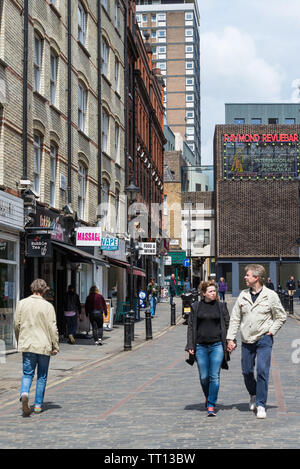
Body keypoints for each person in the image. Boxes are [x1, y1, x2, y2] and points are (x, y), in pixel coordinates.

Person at [227, 264, 287, 419]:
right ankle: (253, 394)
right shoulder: (243, 295)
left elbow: (281, 316)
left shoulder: (271, 295)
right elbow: (235, 318)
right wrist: (230, 338)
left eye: (247, 275)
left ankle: (261, 404)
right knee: (246, 371)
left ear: (257, 277)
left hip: (264, 339)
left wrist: (271, 331)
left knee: (262, 370)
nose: (245, 277)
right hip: (247, 339)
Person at [14, 279, 59, 416]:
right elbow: (52, 328)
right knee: (42, 376)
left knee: (27, 373)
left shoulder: (22, 303)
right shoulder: (48, 306)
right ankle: (38, 405)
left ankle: (24, 393)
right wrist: (55, 345)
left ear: (32, 288)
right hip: (44, 345)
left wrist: (19, 339)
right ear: (44, 290)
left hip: (28, 344)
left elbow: (16, 324)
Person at [185, 281, 231, 417]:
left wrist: (230, 341)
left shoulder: (221, 306)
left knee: (214, 376)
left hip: (217, 345)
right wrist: (190, 345)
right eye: (210, 291)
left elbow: (228, 325)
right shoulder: (196, 307)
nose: (213, 293)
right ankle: (208, 396)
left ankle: (211, 404)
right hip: (200, 346)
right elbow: (191, 327)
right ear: (203, 293)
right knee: (204, 377)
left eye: (214, 291)